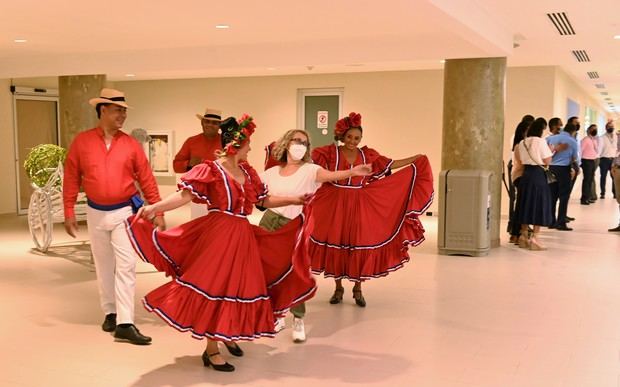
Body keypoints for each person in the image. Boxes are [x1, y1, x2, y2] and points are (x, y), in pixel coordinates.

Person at [125, 115, 317, 372]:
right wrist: (155, 207)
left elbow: (264, 200)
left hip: (242, 237)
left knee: (239, 289)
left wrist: (295, 200)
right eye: (248, 143)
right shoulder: (212, 169)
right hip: (218, 237)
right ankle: (212, 349)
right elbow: (183, 196)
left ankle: (227, 334)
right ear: (236, 144)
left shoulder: (247, 172)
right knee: (217, 289)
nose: (250, 148)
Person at [63, 88, 164, 345]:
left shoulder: (130, 144)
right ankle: (110, 312)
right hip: (95, 212)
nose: (123, 115)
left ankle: (125, 322)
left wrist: (157, 208)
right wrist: (69, 209)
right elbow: (72, 176)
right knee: (103, 264)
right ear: (103, 110)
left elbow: (146, 177)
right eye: (118, 110)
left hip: (123, 212)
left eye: (124, 111)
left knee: (126, 265)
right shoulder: (82, 142)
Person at [307, 112, 434, 307]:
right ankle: (338, 288)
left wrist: (414, 159)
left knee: (358, 241)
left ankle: (358, 288)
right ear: (342, 135)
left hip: (359, 202)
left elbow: (391, 164)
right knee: (338, 241)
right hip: (334, 202)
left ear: (361, 139)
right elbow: (311, 169)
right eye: (349, 137)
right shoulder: (330, 153)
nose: (352, 141)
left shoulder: (368, 155)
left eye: (356, 138)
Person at [259, 129, 371, 342]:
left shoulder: (311, 170)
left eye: (305, 142)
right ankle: (277, 313)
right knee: (270, 273)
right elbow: (256, 193)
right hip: (269, 225)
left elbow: (331, 176)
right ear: (286, 143)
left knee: (297, 272)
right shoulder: (270, 173)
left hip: (295, 227)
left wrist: (352, 172)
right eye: (296, 140)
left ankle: (298, 317)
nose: (300, 145)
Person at [173, 107, 223, 218]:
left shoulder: (227, 143)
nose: (210, 125)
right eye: (207, 121)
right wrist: (189, 164)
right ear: (202, 122)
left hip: (221, 198)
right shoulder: (191, 142)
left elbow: (240, 166)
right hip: (197, 198)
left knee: (219, 232)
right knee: (198, 232)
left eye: (215, 123)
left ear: (220, 126)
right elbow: (176, 166)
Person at [515, 117, 553, 250]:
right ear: (540, 130)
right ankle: (535, 238)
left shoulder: (522, 142)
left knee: (525, 203)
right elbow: (547, 160)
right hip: (538, 175)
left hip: (526, 175)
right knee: (539, 204)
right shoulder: (541, 142)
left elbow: (520, 159)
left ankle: (523, 236)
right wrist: (551, 150)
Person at [546, 121, 579, 231]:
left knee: (552, 195)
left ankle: (551, 221)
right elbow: (574, 158)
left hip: (551, 169)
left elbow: (545, 152)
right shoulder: (572, 141)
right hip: (564, 169)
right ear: (573, 131)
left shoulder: (551, 139)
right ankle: (561, 222)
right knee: (564, 196)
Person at [507, 118, 533, 244]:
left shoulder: (522, 144)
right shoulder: (520, 145)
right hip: (520, 176)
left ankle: (516, 234)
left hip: (521, 176)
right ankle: (516, 233)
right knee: (520, 206)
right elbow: (523, 162)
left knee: (520, 205)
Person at [580, 124, 599, 205]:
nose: (595, 130)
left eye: (596, 129)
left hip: (592, 161)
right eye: (593, 129)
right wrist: (580, 162)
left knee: (590, 180)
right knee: (587, 180)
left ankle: (588, 197)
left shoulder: (593, 140)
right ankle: (584, 198)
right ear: (588, 130)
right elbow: (580, 151)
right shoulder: (585, 140)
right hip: (586, 161)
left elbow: (596, 150)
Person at [599, 121, 618, 199]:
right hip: (604, 160)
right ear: (606, 128)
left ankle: (615, 193)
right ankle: (602, 193)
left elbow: (617, 148)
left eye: (612, 126)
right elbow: (599, 149)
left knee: (614, 177)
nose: (611, 128)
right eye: (609, 126)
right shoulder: (601, 138)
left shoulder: (616, 137)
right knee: (603, 176)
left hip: (613, 160)